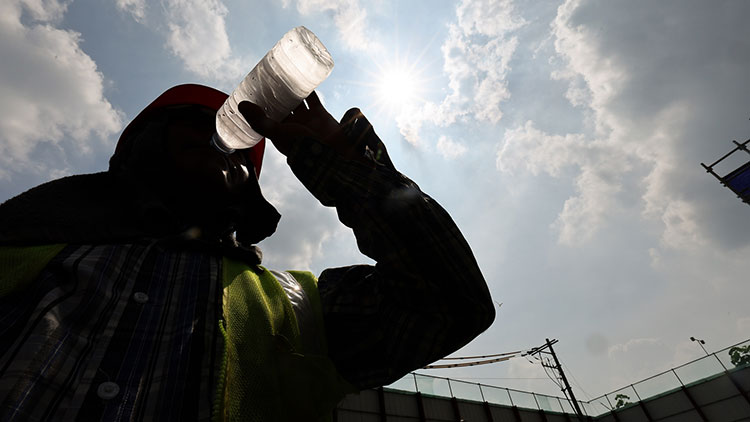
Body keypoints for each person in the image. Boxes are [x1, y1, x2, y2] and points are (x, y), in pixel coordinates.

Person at [0, 84, 495, 421]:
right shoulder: (21, 246)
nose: (219, 142)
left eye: (235, 143)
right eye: (197, 126)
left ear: (248, 186)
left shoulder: (293, 306)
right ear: (146, 148)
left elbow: (447, 305)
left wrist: (348, 168)